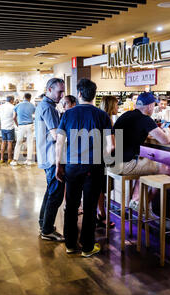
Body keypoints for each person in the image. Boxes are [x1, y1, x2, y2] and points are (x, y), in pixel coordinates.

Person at [55, 79, 114, 257]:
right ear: (94, 95)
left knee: (71, 205)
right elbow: (112, 146)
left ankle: (70, 244)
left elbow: (59, 143)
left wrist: (58, 164)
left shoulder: (67, 114)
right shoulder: (103, 115)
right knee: (89, 207)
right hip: (94, 166)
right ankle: (88, 247)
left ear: (79, 94)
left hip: (72, 166)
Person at [111, 92, 170, 211]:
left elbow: (132, 133)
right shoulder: (145, 119)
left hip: (112, 162)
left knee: (146, 168)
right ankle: (144, 205)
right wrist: (167, 131)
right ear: (150, 106)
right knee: (167, 170)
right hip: (125, 164)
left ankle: (136, 201)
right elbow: (165, 140)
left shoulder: (126, 115)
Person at [35, 78, 66, 241]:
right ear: (49, 90)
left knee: (50, 192)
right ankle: (47, 230)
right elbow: (56, 135)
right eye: (59, 91)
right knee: (55, 194)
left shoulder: (45, 106)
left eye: (63, 91)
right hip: (52, 157)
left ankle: (44, 224)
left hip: (47, 156)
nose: (62, 95)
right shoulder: (48, 108)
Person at [97, 95, 119, 228]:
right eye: (116, 105)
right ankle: (102, 214)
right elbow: (112, 145)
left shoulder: (101, 117)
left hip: (98, 157)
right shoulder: (106, 119)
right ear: (111, 106)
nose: (118, 107)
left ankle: (101, 213)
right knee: (101, 188)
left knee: (101, 188)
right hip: (103, 159)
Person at [10, 93, 35, 166]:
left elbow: (14, 117)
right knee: (30, 143)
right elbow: (35, 114)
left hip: (21, 126)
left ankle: (15, 160)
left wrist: (18, 125)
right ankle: (29, 160)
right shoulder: (32, 105)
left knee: (18, 143)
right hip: (30, 125)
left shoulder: (17, 105)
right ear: (30, 98)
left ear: (23, 97)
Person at [0, 96, 16, 164]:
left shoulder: (1, 106)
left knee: (3, 142)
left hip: (3, 127)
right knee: (9, 143)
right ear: (11, 100)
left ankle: (1, 158)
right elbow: (14, 117)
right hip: (10, 127)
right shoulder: (13, 107)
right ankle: (9, 159)